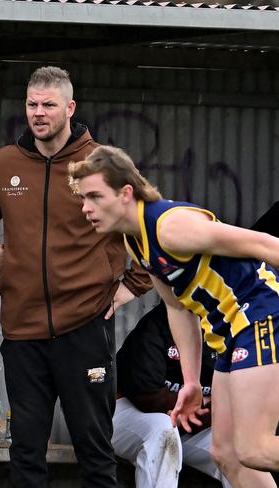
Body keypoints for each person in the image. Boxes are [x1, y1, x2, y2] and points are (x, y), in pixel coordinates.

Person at [0, 67, 151, 488]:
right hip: (22, 331)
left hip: (84, 328)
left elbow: (145, 222)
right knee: (26, 453)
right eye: (32, 104)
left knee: (95, 452)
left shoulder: (102, 164)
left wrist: (131, 287)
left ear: (70, 108)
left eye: (48, 104)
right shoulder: (4, 163)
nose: (38, 113)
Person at [68, 145, 279, 487]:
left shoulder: (171, 227)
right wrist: (192, 382)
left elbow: (267, 245)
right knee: (225, 453)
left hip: (261, 317)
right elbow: (177, 308)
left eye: (94, 196)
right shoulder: (136, 241)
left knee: (254, 449)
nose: (85, 208)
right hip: (229, 334)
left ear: (125, 193)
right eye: (82, 198)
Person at [112, 301, 232, 488]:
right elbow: (147, 397)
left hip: (191, 425)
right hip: (127, 415)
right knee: (164, 429)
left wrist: (207, 407)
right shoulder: (155, 326)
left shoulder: (233, 331)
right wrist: (204, 403)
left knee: (239, 448)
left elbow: (235, 403)